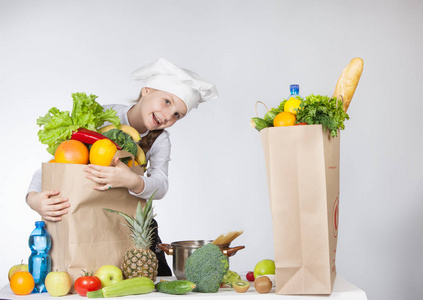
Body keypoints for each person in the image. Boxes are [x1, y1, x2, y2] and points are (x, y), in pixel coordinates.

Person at [26, 58, 218, 276]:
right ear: (146, 90)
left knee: (158, 284)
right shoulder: (103, 117)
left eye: (177, 115)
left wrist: (132, 181)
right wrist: (34, 199)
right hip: (84, 222)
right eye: (166, 101)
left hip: (132, 232)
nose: (168, 115)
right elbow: (54, 166)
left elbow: (161, 185)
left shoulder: (160, 139)